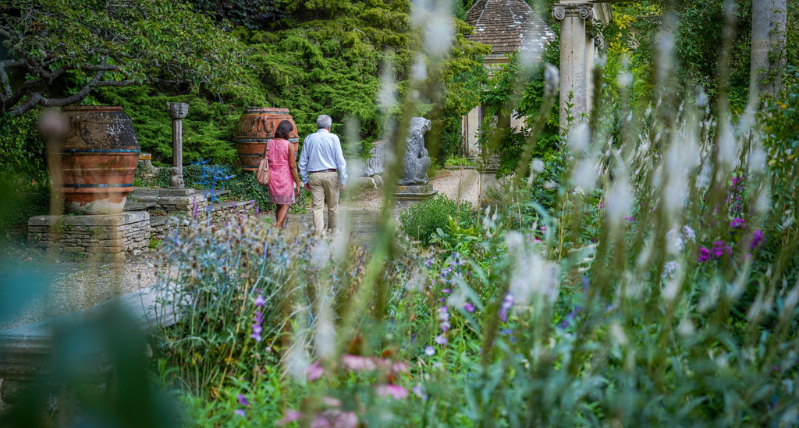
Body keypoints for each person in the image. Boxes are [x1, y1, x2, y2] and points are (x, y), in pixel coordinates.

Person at [298, 115, 348, 236]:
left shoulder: (309, 138)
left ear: (317, 126)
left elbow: (302, 163)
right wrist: (344, 178)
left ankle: (319, 235)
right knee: (333, 207)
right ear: (329, 127)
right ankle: (333, 232)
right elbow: (340, 160)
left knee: (317, 208)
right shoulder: (333, 138)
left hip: (314, 176)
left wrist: (305, 179)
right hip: (331, 175)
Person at [266, 120, 301, 228]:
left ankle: (280, 229)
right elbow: (292, 166)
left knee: (278, 205)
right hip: (285, 178)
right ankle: (277, 227)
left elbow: (265, 160)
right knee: (285, 205)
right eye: (290, 132)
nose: (290, 134)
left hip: (272, 177)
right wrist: (297, 183)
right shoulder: (288, 145)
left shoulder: (269, 143)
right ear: (286, 132)